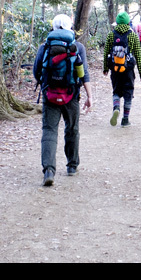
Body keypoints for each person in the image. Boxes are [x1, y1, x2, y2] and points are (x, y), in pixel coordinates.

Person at [33, 13, 92, 186]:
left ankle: (49, 170)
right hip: (71, 94)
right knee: (72, 128)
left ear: (53, 28)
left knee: (49, 130)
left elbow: (37, 72)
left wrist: (45, 85)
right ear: (70, 28)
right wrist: (90, 96)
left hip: (50, 94)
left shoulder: (45, 47)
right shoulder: (77, 47)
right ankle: (72, 166)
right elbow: (84, 74)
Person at [103, 11, 141, 127]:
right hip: (128, 70)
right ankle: (125, 120)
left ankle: (116, 107)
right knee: (128, 93)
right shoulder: (132, 35)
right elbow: (138, 55)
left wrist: (105, 68)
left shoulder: (111, 34)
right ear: (128, 22)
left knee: (116, 91)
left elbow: (106, 52)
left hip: (115, 69)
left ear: (116, 22)